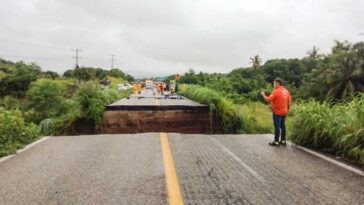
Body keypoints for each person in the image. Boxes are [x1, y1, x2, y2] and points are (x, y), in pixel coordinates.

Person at [261, 78, 291, 146]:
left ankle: (276, 141)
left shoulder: (276, 91)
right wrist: (288, 110)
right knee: (283, 126)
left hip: (277, 112)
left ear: (278, 83)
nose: (273, 85)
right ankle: (283, 141)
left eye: (274, 83)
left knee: (277, 127)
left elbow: (268, 99)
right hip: (284, 112)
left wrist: (263, 95)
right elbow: (289, 102)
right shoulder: (286, 91)